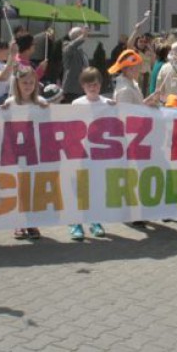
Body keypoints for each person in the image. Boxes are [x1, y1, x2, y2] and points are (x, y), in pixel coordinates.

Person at [3, 65, 48, 240]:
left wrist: (47, 107)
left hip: (34, 152)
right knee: (19, 188)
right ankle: (19, 222)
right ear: (17, 83)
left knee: (33, 188)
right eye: (24, 82)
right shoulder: (10, 103)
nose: (28, 85)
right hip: (16, 153)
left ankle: (32, 222)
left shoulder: (40, 102)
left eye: (31, 82)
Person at [68, 67, 112, 240]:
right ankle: (75, 223)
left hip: (99, 155)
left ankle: (95, 220)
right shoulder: (76, 104)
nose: (93, 88)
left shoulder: (108, 103)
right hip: (79, 154)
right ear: (82, 86)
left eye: (95, 84)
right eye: (89, 85)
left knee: (96, 188)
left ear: (100, 85)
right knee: (78, 188)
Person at [60, 27, 90, 103]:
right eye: (80, 34)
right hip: (72, 88)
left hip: (82, 87)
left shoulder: (80, 50)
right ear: (76, 36)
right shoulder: (67, 46)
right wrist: (82, 37)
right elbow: (70, 47)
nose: (85, 36)